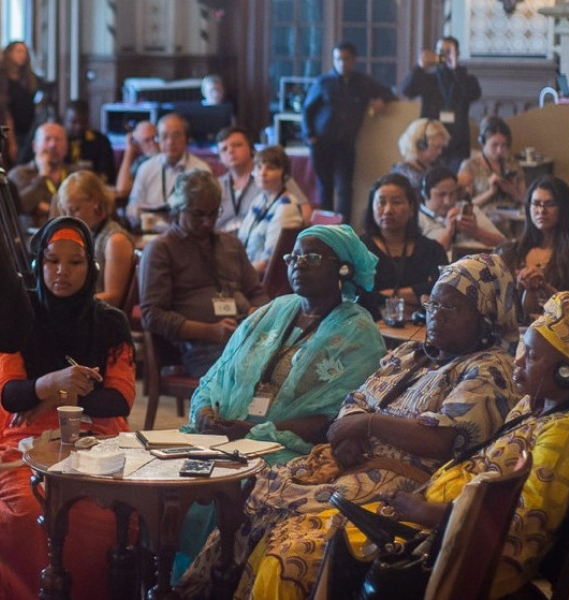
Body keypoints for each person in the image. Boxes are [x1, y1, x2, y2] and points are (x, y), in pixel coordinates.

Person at [176, 253, 521, 599]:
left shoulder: (489, 369)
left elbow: (441, 439)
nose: (435, 315)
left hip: (399, 487)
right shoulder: (409, 354)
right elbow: (354, 399)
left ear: (485, 318)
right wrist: (347, 432)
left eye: (451, 308)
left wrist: (367, 425)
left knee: (288, 542)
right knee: (247, 505)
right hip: (346, 466)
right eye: (433, 304)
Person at [351, 291, 569, 599]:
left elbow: (519, 525)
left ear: (567, 373)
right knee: (334, 532)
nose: (518, 361)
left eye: (532, 356)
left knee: (330, 549)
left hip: (471, 562)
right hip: (445, 531)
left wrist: (423, 510)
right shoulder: (533, 405)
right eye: (524, 349)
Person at [173, 224, 386, 579]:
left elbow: (332, 418)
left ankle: (213, 579)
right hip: (224, 435)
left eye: (312, 257)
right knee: (170, 473)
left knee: (231, 485)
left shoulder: (359, 332)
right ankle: (168, 576)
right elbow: (221, 370)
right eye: (294, 256)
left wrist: (251, 431)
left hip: (288, 447)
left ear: (343, 269)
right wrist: (207, 409)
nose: (298, 264)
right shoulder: (274, 309)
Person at [0, 216, 136, 600]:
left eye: (75, 262)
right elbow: (11, 395)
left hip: (97, 438)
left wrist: (50, 394)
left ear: (91, 267)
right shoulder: (19, 316)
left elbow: (119, 399)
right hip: (25, 437)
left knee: (108, 514)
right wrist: (57, 381)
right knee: (24, 512)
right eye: (51, 261)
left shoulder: (111, 322)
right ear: (37, 265)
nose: (62, 272)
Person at [139, 169, 270, 379]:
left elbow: (257, 293)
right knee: (253, 376)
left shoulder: (231, 244)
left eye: (213, 213)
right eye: (198, 214)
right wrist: (209, 330)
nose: (208, 222)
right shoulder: (161, 249)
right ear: (177, 210)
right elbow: (152, 315)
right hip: (198, 347)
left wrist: (257, 311)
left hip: (246, 336)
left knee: (294, 365)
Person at [302, 41, 397, 223]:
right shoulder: (323, 82)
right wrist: (310, 137)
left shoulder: (362, 82)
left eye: (346, 59)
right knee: (325, 187)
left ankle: (344, 229)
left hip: (346, 143)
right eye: (338, 59)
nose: (342, 63)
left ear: (353, 60)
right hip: (322, 143)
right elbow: (307, 110)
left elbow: (389, 93)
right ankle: (326, 231)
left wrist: (381, 100)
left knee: (345, 188)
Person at [496, 175, 569, 322]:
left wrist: (545, 287)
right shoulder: (505, 253)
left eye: (549, 204)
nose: (541, 210)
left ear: (563, 209)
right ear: (528, 207)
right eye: (536, 203)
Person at [358, 173, 448, 320]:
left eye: (396, 202)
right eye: (381, 202)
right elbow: (359, 296)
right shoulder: (360, 248)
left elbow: (443, 290)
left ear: (412, 208)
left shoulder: (432, 249)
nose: (388, 210)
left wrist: (386, 296)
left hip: (420, 327)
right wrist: (415, 294)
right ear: (372, 207)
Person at [401, 36, 482, 173]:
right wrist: (421, 67)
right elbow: (407, 91)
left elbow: (473, 94)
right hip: (429, 142)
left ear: (457, 53)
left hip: (457, 142)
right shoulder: (428, 79)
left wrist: (456, 68)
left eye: (448, 51)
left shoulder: (466, 79)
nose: (443, 56)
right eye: (440, 51)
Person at [57, 170, 135, 307]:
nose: (69, 217)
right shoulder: (84, 234)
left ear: (96, 203)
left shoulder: (115, 240)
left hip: (102, 319)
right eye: (65, 211)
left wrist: (68, 304)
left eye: (75, 209)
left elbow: (114, 297)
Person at [214, 126, 311, 234]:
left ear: (251, 149)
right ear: (219, 157)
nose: (230, 151)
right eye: (224, 149)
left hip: (264, 240)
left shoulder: (274, 177)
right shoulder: (216, 185)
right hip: (224, 243)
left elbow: (304, 210)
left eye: (237, 145)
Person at [126, 112, 211, 228]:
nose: (170, 142)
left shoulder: (201, 170)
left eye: (176, 136)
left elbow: (207, 212)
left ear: (186, 138)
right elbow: (133, 204)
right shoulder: (146, 168)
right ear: (158, 140)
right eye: (164, 136)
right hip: (150, 233)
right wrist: (135, 213)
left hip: (187, 235)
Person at [237, 145, 304, 276]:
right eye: (258, 167)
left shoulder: (286, 206)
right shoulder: (260, 199)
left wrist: (234, 274)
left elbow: (268, 264)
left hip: (263, 280)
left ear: (284, 174)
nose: (262, 173)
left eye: (271, 168)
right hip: (248, 270)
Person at [458, 115, 526, 236]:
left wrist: (511, 190)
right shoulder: (470, 166)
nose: (499, 150)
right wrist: (490, 192)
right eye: (494, 145)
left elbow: (525, 199)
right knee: (500, 223)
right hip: (484, 217)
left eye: (504, 145)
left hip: (513, 215)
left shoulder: (512, 164)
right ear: (483, 142)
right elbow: (464, 206)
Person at [418, 165, 506, 255]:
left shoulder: (467, 209)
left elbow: (503, 243)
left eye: (452, 193)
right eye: (441, 195)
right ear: (425, 194)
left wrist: (476, 231)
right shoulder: (418, 219)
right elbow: (427, 258)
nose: (448, 201)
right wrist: (449, 232)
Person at [8, 122, 70, 228]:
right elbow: (21, 207)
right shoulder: (19, 174)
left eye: (58, 139)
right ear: (34, 146)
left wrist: (45, 207)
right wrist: (42, 176)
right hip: (32, 238)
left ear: (66, 147)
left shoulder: (73, 174)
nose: (53, 144)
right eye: (47, 139)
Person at [0, 41, 40, 164]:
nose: (22, 55)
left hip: (29, 127)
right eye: (18, 51)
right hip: (11, 129)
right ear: (9, 54)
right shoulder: (3, 80)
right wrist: (11, 141)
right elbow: (6, 111)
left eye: (24, 52)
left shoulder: (29, 78)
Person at [63, 99, 116, 184]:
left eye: (83, 122)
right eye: (74, 122)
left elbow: (107, 174)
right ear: (65, 120)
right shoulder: (58, 141)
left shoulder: (100, 141)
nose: (78, 127)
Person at [392, 118, 450, 194]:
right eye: (437, 147)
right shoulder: (404, 172)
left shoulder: (436, 166)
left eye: (441, 147)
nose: (440, 152)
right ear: (421, 145)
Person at [114, 120, 158, 199]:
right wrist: (129, 152)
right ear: (138, 145)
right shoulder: (141, 162)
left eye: (155, 137)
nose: (153, 143)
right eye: (147, 141)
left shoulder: (169, 158)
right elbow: (122, 189)